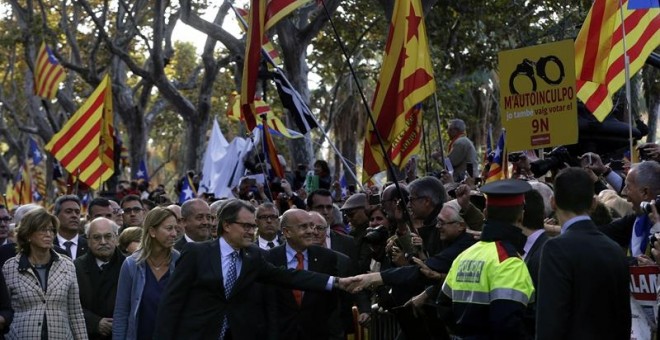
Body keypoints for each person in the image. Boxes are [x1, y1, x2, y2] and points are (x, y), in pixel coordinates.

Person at [153, 199, 355, 340]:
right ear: (227, 225)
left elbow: (287, 276)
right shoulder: (196, 253)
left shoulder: (253, 256)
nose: (251, 231)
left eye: (253, 226)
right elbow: (171, 303)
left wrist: (335, 282)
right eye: (246, 226)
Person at [536, 168, 630, 339]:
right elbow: (624, 319)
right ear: (594, 203)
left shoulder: (556, 249)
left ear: (553, 202)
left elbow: (550, 321)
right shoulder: (614, 249)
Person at [436, 179, 534, 338]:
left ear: (486, 213)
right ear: (521, 216)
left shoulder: (464, 256)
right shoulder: (509, 262)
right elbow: (507, 326)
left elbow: (443, 305)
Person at [2, 208, 87, 339]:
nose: (48, 234)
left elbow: (75, 312)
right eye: (42, 229)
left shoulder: (67, 265)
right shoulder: (10, 267)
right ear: (28, 234)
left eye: (51, 230)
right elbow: (5, 309)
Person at [264, 209, 341, 339]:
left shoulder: (326, 257)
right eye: (304, 227)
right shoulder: (269, 258)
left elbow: (334, 302)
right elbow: (267, 304)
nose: (311, 231)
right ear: (287, 232)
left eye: (311, 226)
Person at [112, 207, 179, 340]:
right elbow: (121, 312)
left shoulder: (180, 262)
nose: (174, 234)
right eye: (169, 228)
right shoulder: (131, 265)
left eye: (175, 228)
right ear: (152, 231)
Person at [75, 218, 126, 340]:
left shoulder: (129, 266)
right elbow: (70, 304)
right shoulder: (76, 267)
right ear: (88, 241)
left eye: (108, 236)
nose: (103, 242)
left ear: (116, 238)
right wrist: (95, 322)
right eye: (97, 237)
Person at [53, 195, 88, 260]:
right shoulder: (48, 245)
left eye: (77, 212)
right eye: (68, 212)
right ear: (56, 216)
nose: (74, 216)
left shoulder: (89, 245)